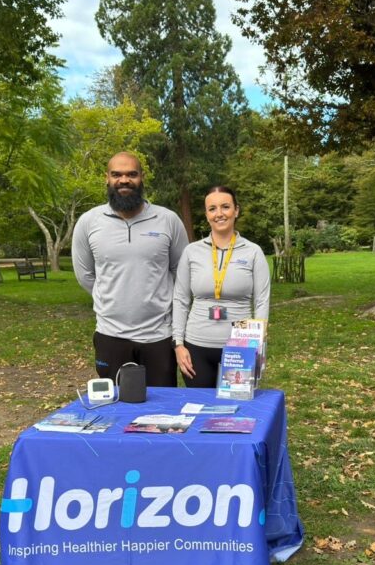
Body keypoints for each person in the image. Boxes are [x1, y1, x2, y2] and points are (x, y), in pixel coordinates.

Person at [71, 152, 189, 386]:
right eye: (117, 174)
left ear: (142, 178)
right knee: (116, 410)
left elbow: (182, 274)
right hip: (110, 335)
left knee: (161, 412)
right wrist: (112, 300)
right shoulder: (88, 222)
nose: (124, 180)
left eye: (131, 174)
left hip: (158, 336)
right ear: (107, 178)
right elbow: (85, 275)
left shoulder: (168, 220)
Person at [173, 186, 270, 388]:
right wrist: (178, 344)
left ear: (236, 210)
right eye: (212, 208)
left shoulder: (253, 252)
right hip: (196, 346)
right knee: (200, 411)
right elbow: (181, 299)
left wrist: (258, 343)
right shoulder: (192, 251)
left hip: (241, 347)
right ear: (207, 214)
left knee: (236, 414)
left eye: (225, 207)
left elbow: (262, 300)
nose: (219, 214)